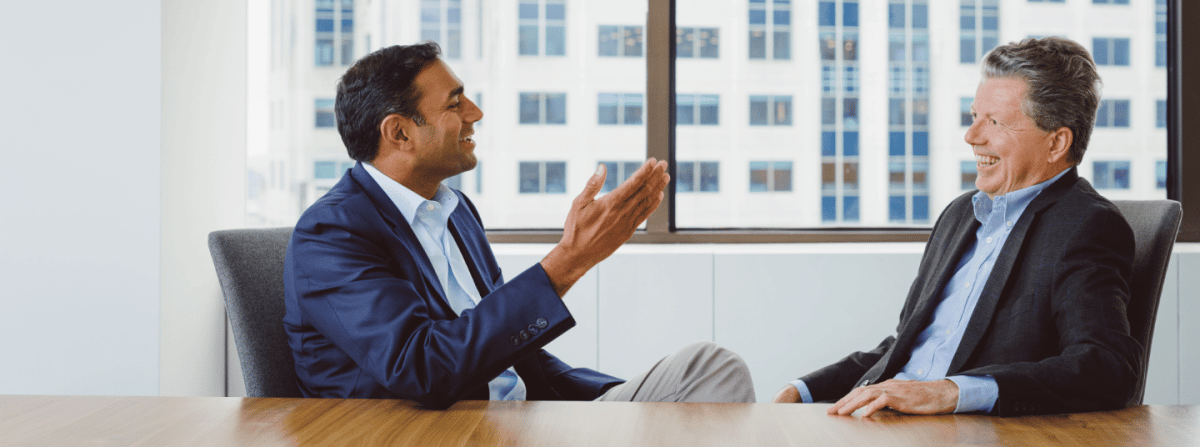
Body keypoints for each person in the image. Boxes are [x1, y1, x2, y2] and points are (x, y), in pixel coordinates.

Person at [282, 42, 754, 409]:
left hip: (521, 420)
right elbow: (423, 368)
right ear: (400, 132)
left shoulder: (456, 212)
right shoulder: (332, 234)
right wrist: (569, 260)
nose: (476, 114)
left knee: (712, 371)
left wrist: (613, 399)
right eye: (455, 103)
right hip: (440, 432)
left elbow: (513, 355)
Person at [773, 37, 1142, 417]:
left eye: (994, 122)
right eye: (973, 117)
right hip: (888, 420)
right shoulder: (960, 214)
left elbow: (1107, 367)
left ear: (1056, 143)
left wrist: (952, 392)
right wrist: (803, 390)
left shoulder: (1087, 225)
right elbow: (908, 346)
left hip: (963, 431)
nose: (972, 136)